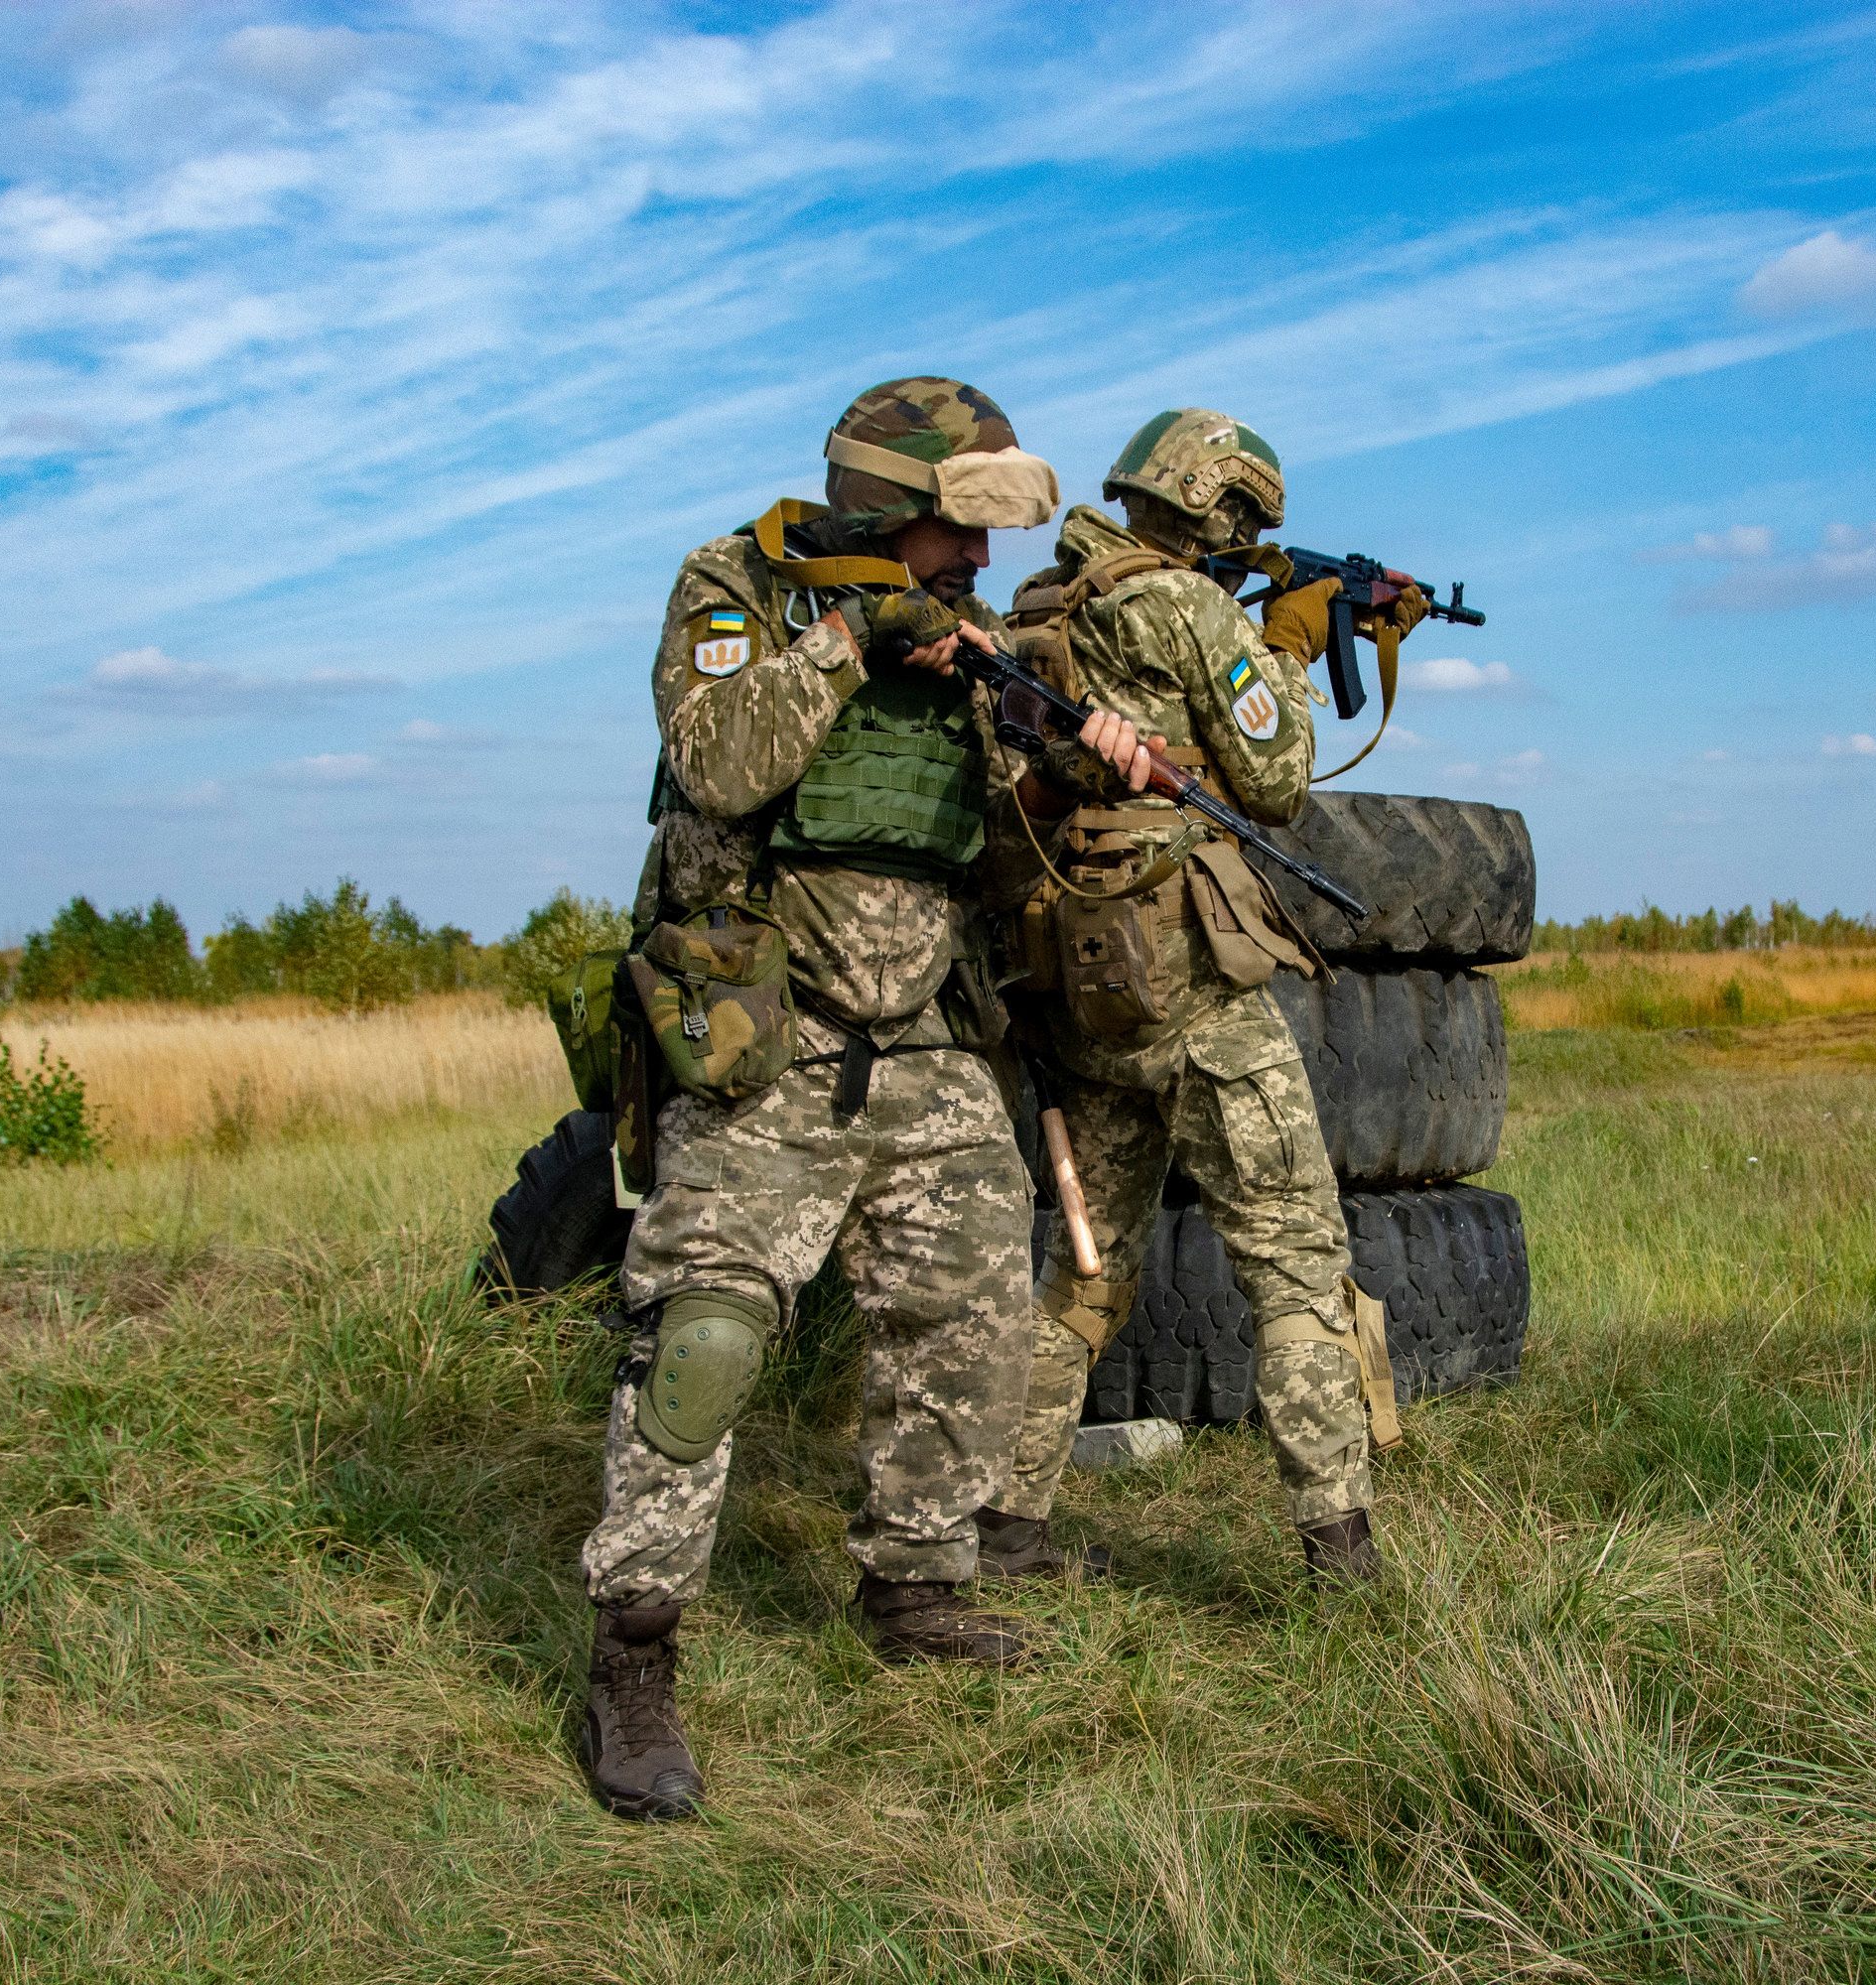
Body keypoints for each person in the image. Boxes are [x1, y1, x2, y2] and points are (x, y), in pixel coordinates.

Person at [578, 377, 1065, 1823]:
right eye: (957, 533)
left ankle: (915, 1589)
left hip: (924, 1038)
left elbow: (989, 850)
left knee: (977, 1313)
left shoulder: (974, 635)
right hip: (765, 1032)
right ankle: (634, 1657)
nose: (979, 562)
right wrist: (860, 641)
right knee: (707, 1336)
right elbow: (715, 758)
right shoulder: (741, 587)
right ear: (884, 508)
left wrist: (1058, 748)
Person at [975, 409, 1427, 1590]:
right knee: (1292, 1257)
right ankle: (1343, 1557)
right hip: (1189, 977)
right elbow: (1275, 779)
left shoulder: (1034, 607)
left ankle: (1007, 1528)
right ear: (1220, 509)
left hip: (1073, 978)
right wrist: (1283, 641)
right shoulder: (1185, 609)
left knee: (1085, 1271)